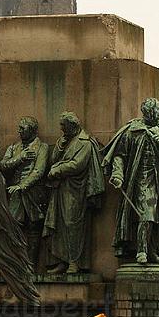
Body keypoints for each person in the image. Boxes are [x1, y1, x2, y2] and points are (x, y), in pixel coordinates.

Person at [102, 98, 159, 263]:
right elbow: (120, 155)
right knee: (146, 214)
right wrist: (118, 174)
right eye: (156, 111)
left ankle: (154, 251)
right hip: (141, 178)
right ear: (148, 112)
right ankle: (141, 251)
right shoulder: (133, 130)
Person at [43, 111, 105, 274]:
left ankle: (74, 261)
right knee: (60, 225)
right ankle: (62, 260)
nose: (61, 129)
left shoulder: (85, 142)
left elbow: (78, 164)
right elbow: (53, 159)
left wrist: (58, 169)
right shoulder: (63, 140)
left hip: (76, 191)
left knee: (73, 225)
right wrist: (60, 146)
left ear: (72, 125)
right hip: (60, 190)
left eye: (63, 125)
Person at [0, 116, 50, 265]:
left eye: (23, 128)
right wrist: (20, 157)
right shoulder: (14, 148)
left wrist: (22, 186)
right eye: (19, 128)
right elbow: (3, 165)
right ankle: (15, 263)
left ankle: (30, 265)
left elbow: (39, 171)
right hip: (16, 195)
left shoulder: (42, 147)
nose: (19, 131)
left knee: (34, 228)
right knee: (13, 227)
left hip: (34, 194)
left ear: (32, 130)